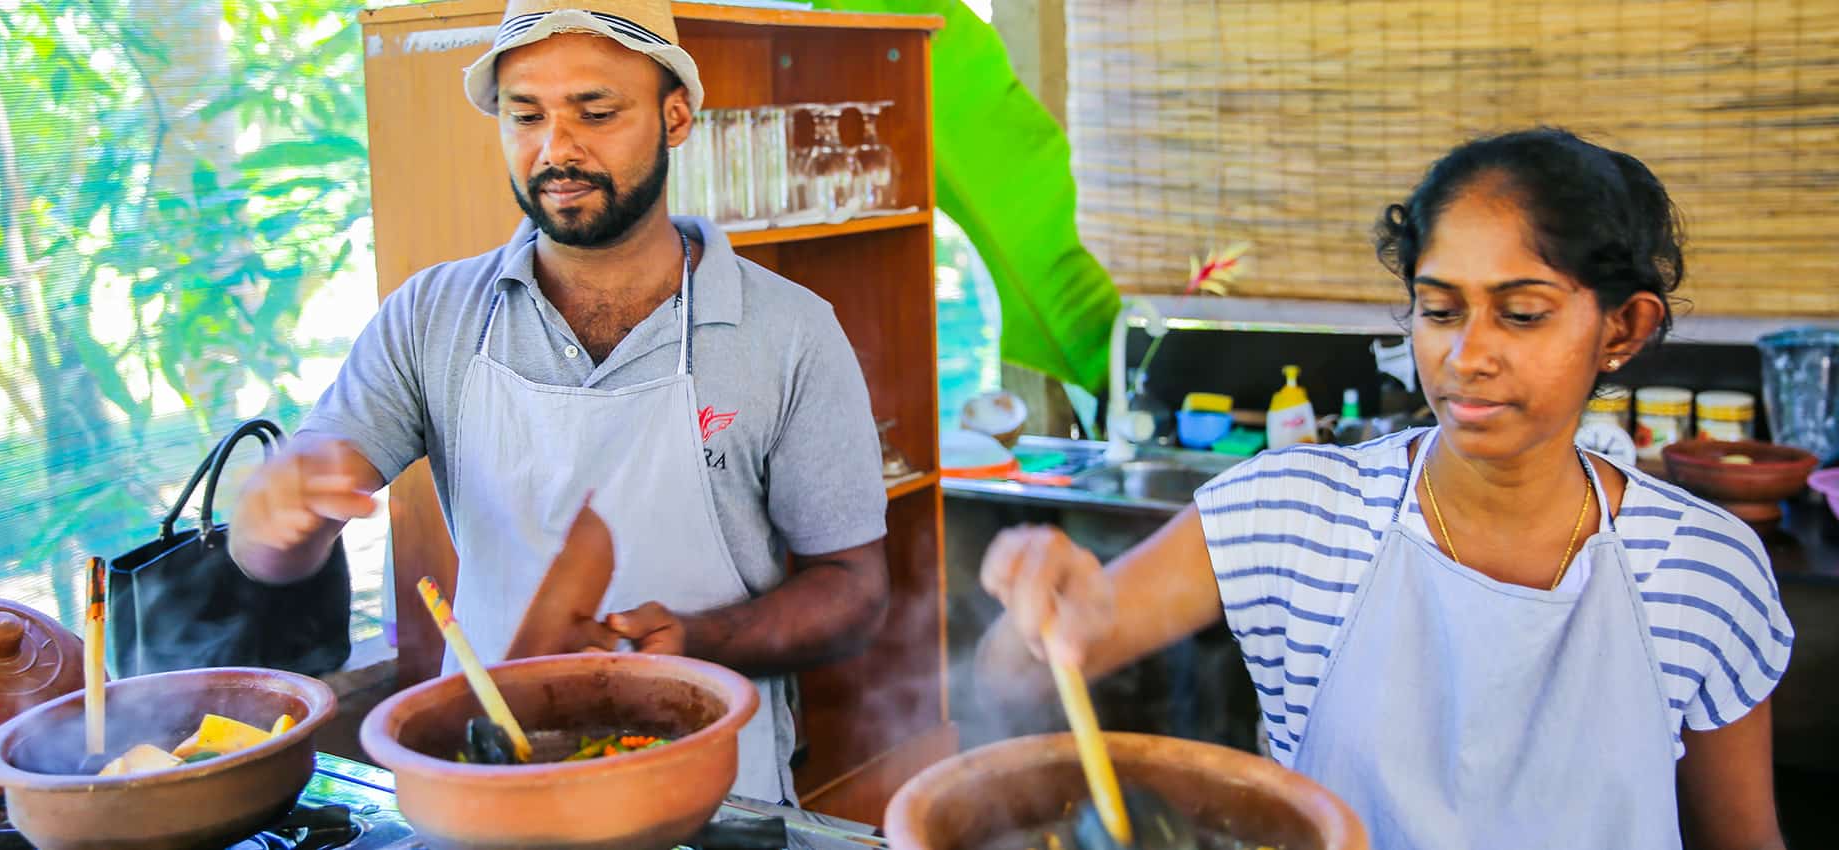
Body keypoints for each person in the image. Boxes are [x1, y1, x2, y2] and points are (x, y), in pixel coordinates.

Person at [976, 128, 1791, 850]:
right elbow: (1016, 674)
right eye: (1440, 310)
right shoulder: (1294, 514)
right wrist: (1038, 603)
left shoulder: (1701, 567)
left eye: (1522, 314)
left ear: (1623, 327)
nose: (1467, 354)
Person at [227, 0, 890, 804]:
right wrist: (277, 524)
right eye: (525, 114)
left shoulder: (788, 333)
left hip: (715, 792)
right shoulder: (432, 315)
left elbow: (853, 588)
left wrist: (700, 641)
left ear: (675, 116)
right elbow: (280, 545)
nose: (556, 148)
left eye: (596, 111)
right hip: (494, 786)